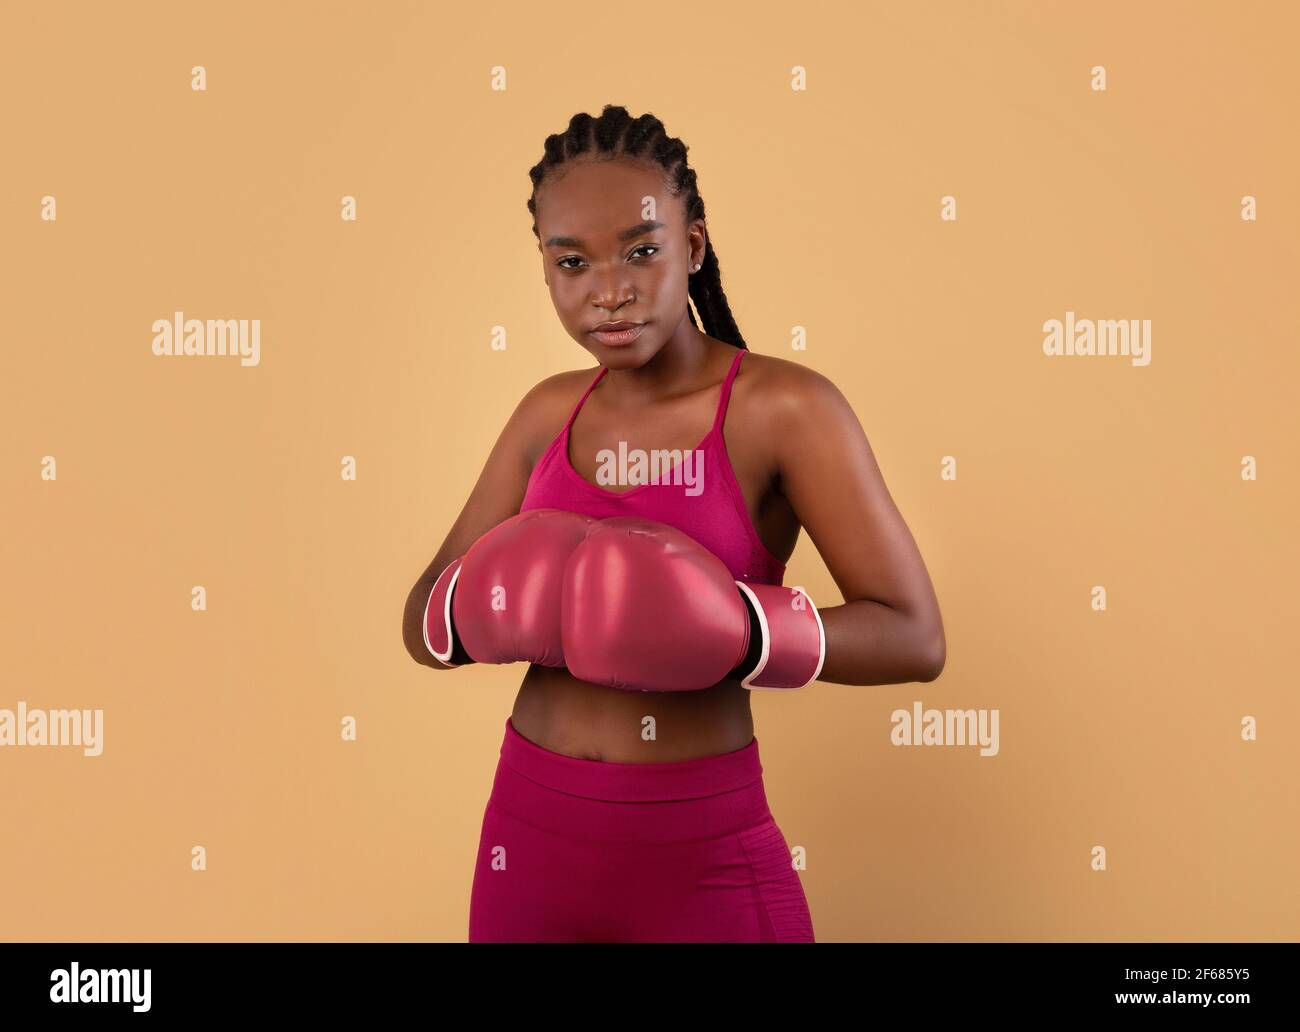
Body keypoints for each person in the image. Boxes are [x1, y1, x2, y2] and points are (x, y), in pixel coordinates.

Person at [402, 104, 946, 942]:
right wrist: (478, 604)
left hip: (700, 852)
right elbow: (421, 624)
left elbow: (915, 637)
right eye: (572, 261)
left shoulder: (784, 408)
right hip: (527, 839)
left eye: (643, 250)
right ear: (545, 269)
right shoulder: (547, 413)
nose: (609, 289)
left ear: (691, 248)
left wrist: (739, 629)